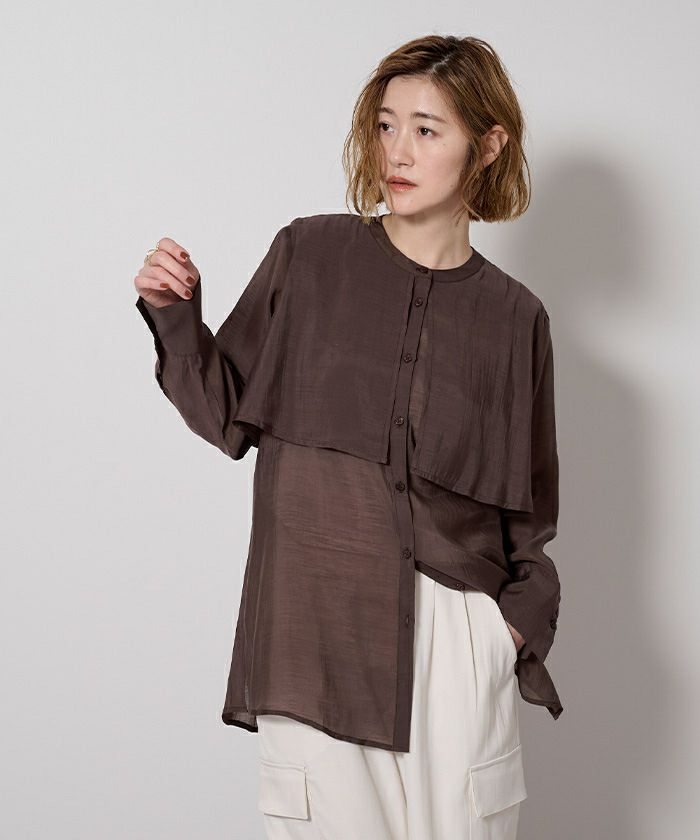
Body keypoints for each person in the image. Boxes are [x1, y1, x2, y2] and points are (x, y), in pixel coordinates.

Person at [133, 33, 562, 840]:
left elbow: (529, 517)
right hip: (314, 628)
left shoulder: (515, 318)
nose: (397, 151)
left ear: (488, 145)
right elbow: (226, 416)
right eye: (386, 125)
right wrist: (176, 318)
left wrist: (505, 633)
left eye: (427, 130)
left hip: (455, 646)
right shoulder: (311, 254)